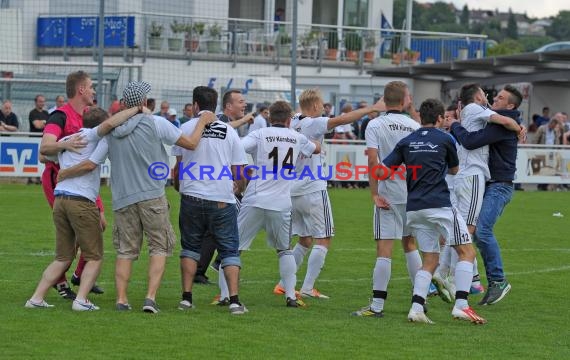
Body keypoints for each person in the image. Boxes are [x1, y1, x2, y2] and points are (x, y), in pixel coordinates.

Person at [59, 81, 215, 313]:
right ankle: (150, 298)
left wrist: (65, 173)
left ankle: (121, 299)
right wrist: (202, 120)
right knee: (159, 247)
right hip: (153, 195)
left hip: (123, 199)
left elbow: (92, 163)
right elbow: (191, 143)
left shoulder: (110, 132)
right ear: (143, 102)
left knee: (125, 251)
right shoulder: (156, 122)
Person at [25, 105, 141, 311]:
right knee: (94, 256)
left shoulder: (70, 138)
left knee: (63, 257)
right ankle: (81, 300)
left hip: (60, 199)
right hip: (81, 201)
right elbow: (91, 162)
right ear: (100, 126)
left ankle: (36, 298)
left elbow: (43, 156)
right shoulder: (97, 137)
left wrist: (63, 155)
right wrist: (138, 108)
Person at [382, 98, 487, 324]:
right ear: (440, 119)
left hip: (414, 210)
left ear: (420, 117)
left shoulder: (407, 141)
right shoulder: (445, 138)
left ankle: (416, 308)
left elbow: (383, 170)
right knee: (467, 253)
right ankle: (462, 305)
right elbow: (455, 168)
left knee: (430, 259)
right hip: (439, 205)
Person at [273, 88, 384, 299]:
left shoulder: (294, 119)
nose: (324, 107)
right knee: (324, 238)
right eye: (322, 104)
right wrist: (372, 108)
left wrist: (307, 100)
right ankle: (307, 287)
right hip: (313, 188)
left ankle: (283, 283)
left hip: (293, 190)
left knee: (305, 239)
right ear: (315, 106)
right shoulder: (312, 123)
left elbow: (304, 107)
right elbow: (341, 119)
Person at [229, 101, 319, 308]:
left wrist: (246, 170)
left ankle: (226, 296)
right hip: (281, 203)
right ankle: (291, 296)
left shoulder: (259, 134)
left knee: (234, 248)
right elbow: (315, 148)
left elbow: (238, 148)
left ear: (269, 118)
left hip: (255, 199)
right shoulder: (297, 137)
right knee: (284, 250)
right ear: (289, 120)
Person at [171, 86, 248, 315]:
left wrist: (179, 188)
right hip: (221, 198)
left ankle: (186, 298)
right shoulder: (228, 131)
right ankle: (234, 301)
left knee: (190, 247)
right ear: (216, 106)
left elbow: (178, 169)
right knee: (229, 249)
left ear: (195, 105)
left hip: (192, 196)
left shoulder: (184, 128)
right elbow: (239, 171)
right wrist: (238, 187)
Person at [352, 81, 424, 317]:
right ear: (404, 101)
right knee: (410, 244)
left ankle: (377, 306)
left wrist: (374, 193)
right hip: (411, 192)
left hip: (387, 193)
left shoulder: (374, 124)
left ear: (385, 99)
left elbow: (373, 161)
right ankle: (419, 301)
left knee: (385, 248)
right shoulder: (415, 126)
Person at [449, 85, 524, 306]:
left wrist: (454, 124)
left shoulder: (502, 123)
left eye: (500, 98)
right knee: (466, 229)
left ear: (510, 105)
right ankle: (470, 279)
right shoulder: (499, 120)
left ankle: (498, 281)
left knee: (479, 230)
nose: (494, 99)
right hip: (489, 183)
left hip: (499, 185)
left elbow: (471, 141)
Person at [39, 71, 104, 299]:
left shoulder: (87, 116)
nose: (94, 90)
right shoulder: (60, 116)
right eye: (91, 86)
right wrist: (64, 145)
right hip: (60, 180)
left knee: (99, 225)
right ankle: (62, 282)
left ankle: (79, 275)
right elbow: (44, 151)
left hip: (84, 183)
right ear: (81, 90)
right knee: (72, 232)